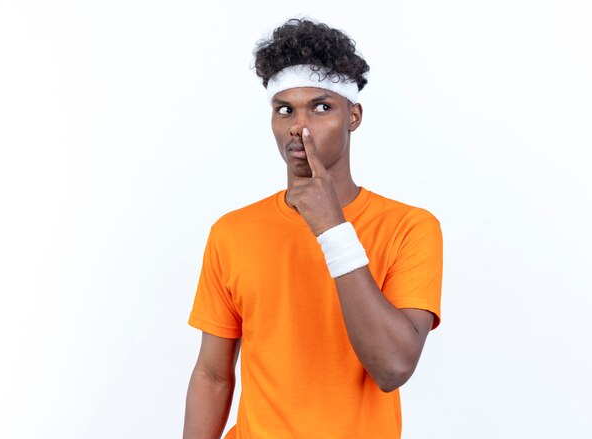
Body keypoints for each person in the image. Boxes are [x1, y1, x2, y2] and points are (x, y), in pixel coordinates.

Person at [183, 18, 443, 439]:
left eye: (321, 107)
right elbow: (213, 375)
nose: (297, 127)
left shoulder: (410, 228)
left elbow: (393, 367)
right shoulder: (232, 232)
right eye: (285, 109)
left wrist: (332, 229)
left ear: (353, 116)